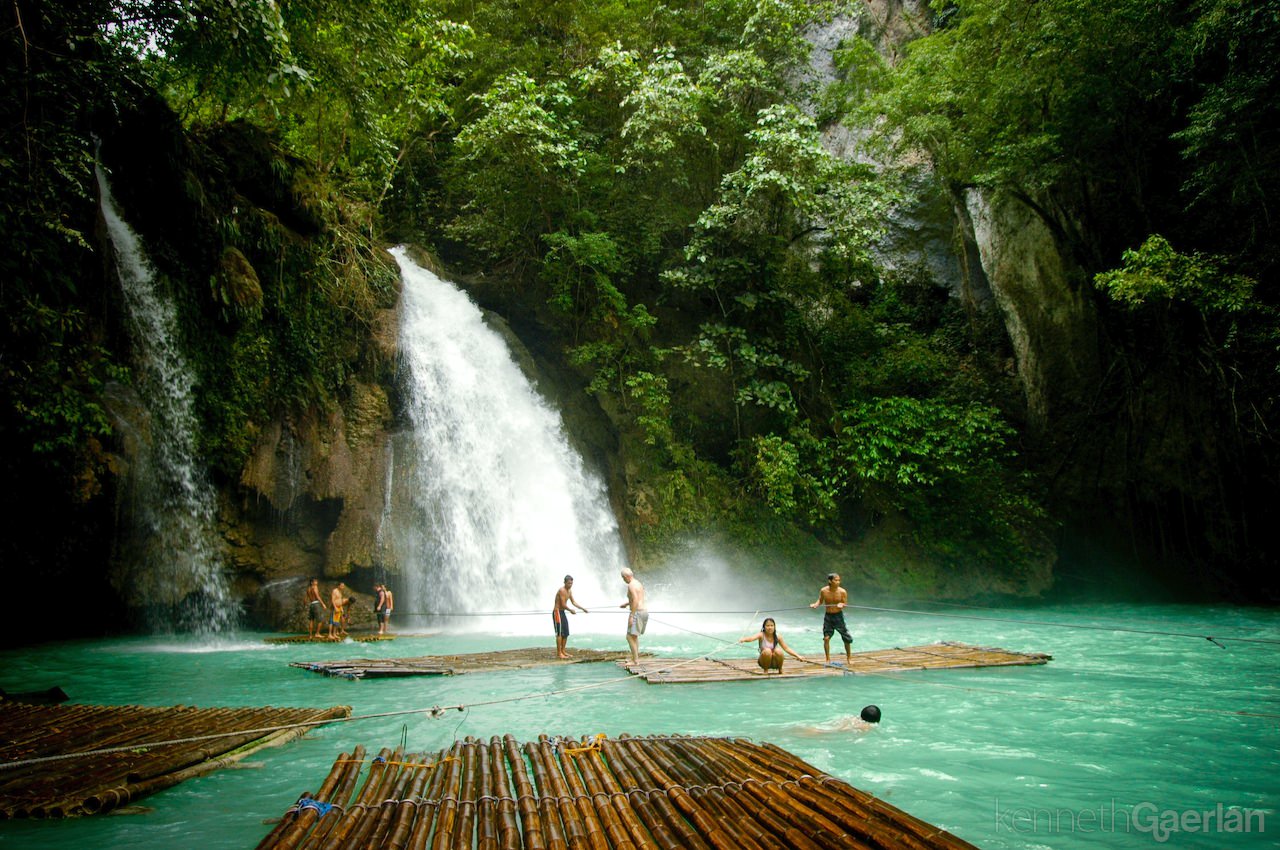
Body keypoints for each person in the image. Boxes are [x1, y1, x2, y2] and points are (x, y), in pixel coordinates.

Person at [809, 572, 852, 664]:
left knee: (846, 638)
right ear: (830, 581)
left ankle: (849, 658)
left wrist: (842, 604)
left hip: (838, 616)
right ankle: (827, 659)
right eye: (836, 580)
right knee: (826, 638)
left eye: (839, 580)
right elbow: (820, 600)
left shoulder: (842, 592)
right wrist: (815, 604)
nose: (838, 582)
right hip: (828, 616)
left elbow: (845, 603)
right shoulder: (824, 591)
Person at [737, 617, 804, 674]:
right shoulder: (761, 634)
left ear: (774, 627)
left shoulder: (778, 636)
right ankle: (765, 671)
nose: (770, 627)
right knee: (767, 651)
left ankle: (780, 669)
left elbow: (786, 648)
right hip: (764, 662)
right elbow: (751, 638)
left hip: (775, 663)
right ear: (764, 627)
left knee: (778, 651)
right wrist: (743, 639)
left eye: (772, 625)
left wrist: (798, 656)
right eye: (767, 626)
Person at [552, 575, 589, 659]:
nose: (570, 585)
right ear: (564, 582)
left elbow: (573, 602)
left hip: (562, 612)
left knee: (566, 632)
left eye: (571, 583)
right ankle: (559, 653)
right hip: (557, 612)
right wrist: (570, 610)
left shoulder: (569, 591)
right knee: (559, 633)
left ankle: (563, 651)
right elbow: (563, 604)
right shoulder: (561, 590)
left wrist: (583, 608)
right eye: (569, 583)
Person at [619, 568, 647, 664]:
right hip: (643, 611)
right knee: (634, 636)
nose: (623, 580)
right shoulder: (638, 583)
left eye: (623, 578)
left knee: (629, 637)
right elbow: (638, 598)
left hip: (637, 612)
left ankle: (635, 660)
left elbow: (635, 599)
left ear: (627, 576)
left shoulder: (631, 585)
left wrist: (632, 615)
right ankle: (635, 658)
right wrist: (627, 604)